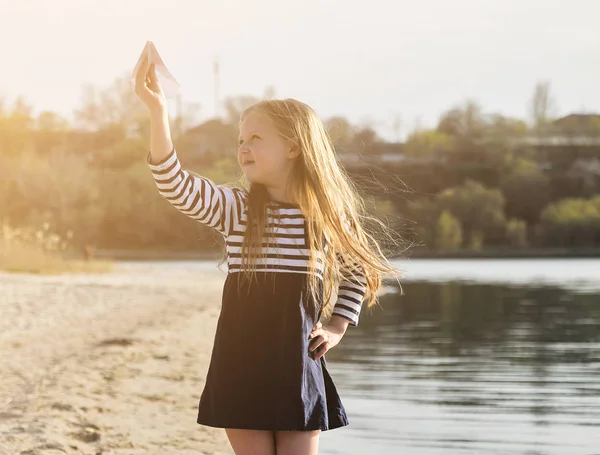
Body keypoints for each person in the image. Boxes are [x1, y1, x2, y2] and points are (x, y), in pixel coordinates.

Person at [134, 55, 402, 455]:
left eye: (256, 138)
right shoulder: (237, 209)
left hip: (298, 364)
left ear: (293, 147)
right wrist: (158, 111)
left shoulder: (324, 218)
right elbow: (173, 182)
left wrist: (338, 327)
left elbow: (356, 270)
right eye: (241, 140)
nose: (243, 148)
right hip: (241, 361)